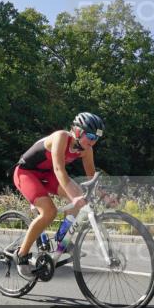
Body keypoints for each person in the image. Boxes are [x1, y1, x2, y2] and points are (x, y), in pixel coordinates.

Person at [9, 112, 103, 277]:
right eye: (90, 136)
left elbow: (92, 178)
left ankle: (62, 238)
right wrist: (74, 197)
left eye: (96, 138)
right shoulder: (61, 137)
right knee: (50, 211)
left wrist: (105, 195)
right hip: (26, 173)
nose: (93, 141)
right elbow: (59, 169)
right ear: (77, 131)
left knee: (79, 195)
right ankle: (21, 255)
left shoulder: (86, 150)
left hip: (47, 175)